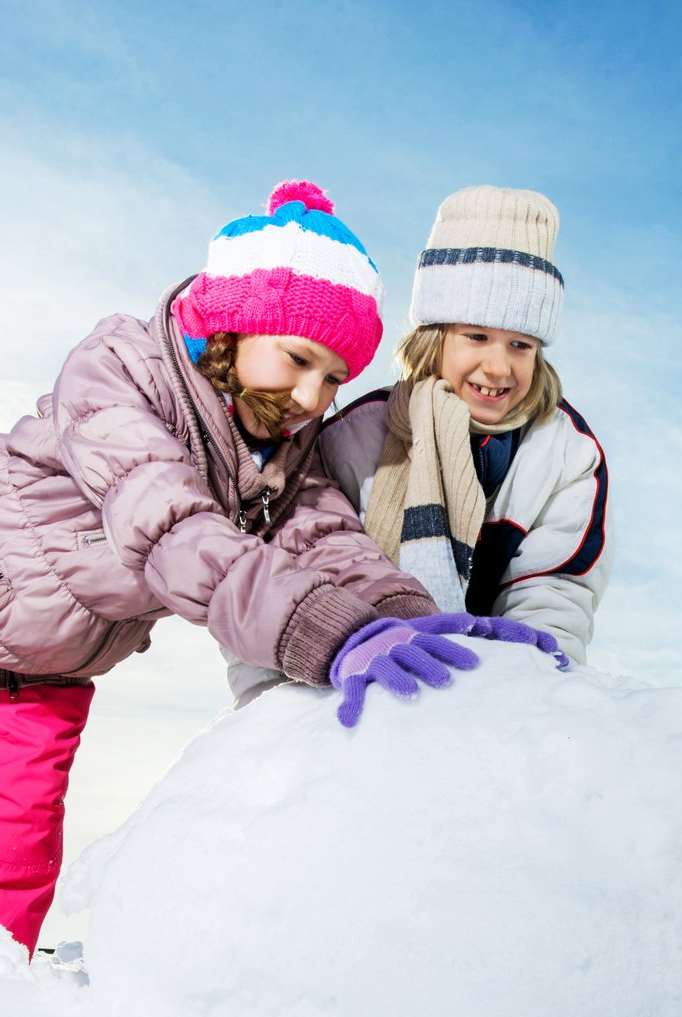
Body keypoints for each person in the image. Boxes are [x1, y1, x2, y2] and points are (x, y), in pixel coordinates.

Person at [0, 181, 548, 954]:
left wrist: (398, 611)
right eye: (301, 360)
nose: (314, 397)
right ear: (237, 325)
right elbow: (170, 529)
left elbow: (321, 529)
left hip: (53, 651)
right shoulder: (118, 374)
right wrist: (327, 633)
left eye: (334, 376)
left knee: (2, 855)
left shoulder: (279, 433)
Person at [225, 186, 609, 708]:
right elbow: (284, 568)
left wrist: (531, 693)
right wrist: (278, 713)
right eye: (476, 336)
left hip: (493, 688)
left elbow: (553, 592)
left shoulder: (563, 452)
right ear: (435, 336)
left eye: (521, 344)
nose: (499, 367)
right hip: (361, 679)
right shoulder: (354, 436)